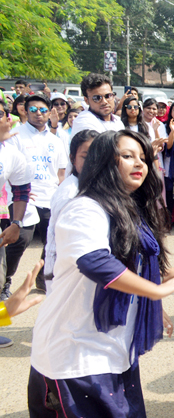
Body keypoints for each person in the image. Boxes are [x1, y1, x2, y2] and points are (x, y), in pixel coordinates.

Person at [28, 130, 174, 418]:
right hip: (78, 348)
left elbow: (134, 269)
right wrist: (155, 293)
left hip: (114, 346)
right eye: (127, 156)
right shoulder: (85, 208)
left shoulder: (132, 211)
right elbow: (95, 262)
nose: (138, 163)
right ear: (103, 162)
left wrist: (154, 303)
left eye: (143, 157)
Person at [8, 94, 68, 290]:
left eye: (43, 110)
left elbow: (60, 172)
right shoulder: (16, 135)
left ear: (50, 112)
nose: (38, 114)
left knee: (54, 240)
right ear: (24, 110)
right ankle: (5, 279)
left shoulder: (55, 140)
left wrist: (61, 193)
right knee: (21, 239)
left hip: (50, 197)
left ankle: (43, 278)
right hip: (25, 198)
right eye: (33, 110)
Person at [44, 130, 98, 295]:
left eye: (98, 154)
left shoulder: (94, 185)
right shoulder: (70, 193)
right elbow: (58, 245)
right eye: (85, 156)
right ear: (72, 158)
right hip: (69, 276)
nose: (92, 161)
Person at [0, 100, 32, 346]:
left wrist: (16, 222)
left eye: (0, 114)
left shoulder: (11, 155)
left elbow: (21, 190)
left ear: (7, 118)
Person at [71, 73, 124, 139]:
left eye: (108, 96)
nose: (104, 101)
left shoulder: (117, 121)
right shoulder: (84, 122)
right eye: (97, 98)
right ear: (86, 100)